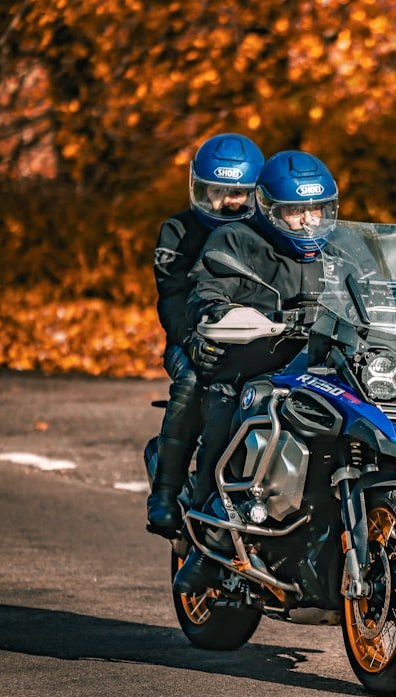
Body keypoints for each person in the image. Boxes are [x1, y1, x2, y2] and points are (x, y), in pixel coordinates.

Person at [173, 150, 340, 594]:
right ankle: (209, 536)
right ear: (269, 208)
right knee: (233, 406)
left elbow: (384, 291)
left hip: (326, 366)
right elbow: (205, 290)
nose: (307, 222)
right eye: (294, 212)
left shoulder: (341, 248)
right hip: (255, 362)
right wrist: (218, 313)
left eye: (315, 210)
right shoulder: (235, 241)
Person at [146, 133, 265, 538]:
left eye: (241, 193)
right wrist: (194, 340)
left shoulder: (266, 233)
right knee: (193, 380)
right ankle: (165, 492)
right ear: (199, 188)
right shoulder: (177, 232)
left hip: (259, 339)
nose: (231, 202)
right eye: (219, 191)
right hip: (192, 338)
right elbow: (173, 300)